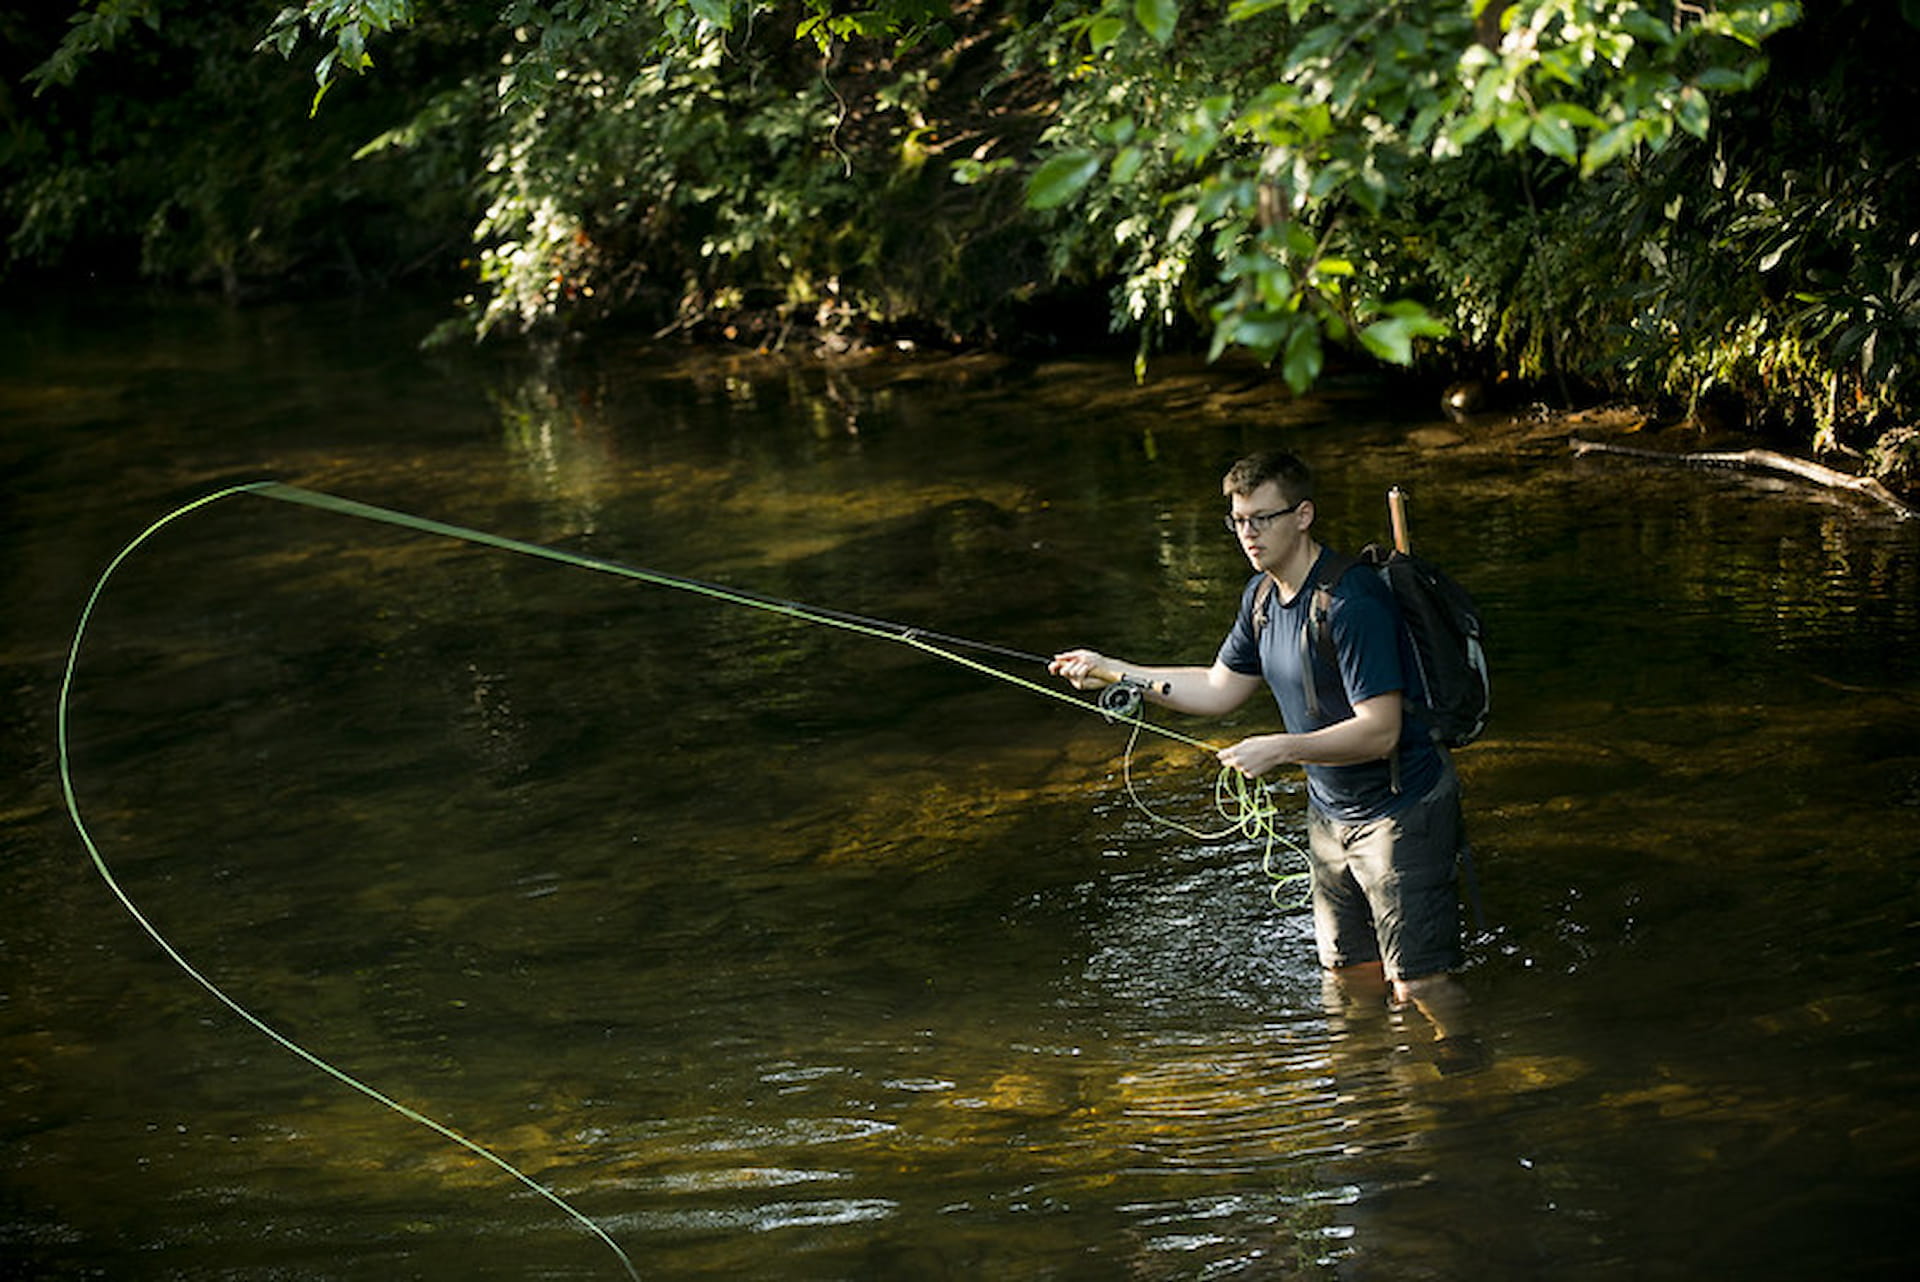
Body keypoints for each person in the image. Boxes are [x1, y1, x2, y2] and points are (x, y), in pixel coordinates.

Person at [1050, 449, 1476, 1063]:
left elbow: (1379, 731)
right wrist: (1117, 670)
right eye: (1238, 521)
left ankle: (1465, 1056)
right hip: (1330, 816)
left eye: (1262, 519)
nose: (1248, 535)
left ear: (1303, 516)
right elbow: (1221, 689)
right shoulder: (1259, 598)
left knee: (1419, 981)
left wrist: (1281, 749)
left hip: (1399, 810)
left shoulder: (1350, 604)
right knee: (1349, 972)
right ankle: (1375, 1079)